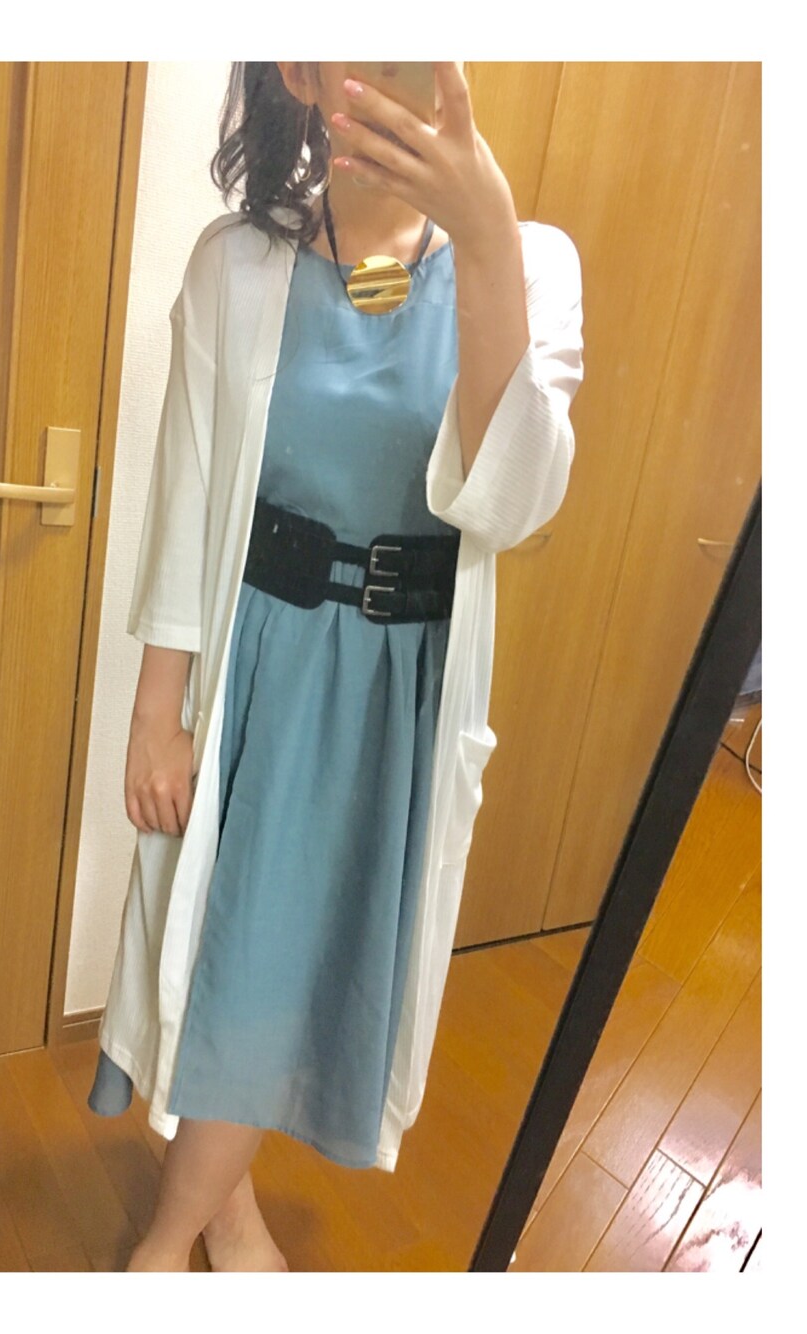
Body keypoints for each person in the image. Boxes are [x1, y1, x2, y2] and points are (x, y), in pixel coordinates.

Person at [87, 61, 584, 1272]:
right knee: (242, 962)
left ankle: (218, 1212)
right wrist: (156, 712)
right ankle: (169, 1243)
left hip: (396, 700)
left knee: (306, 966)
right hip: (261, 667)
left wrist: (484, 241)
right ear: (302, 70)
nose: (395, 69)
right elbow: (187, 494)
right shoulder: (236, 264)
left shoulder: (530, 263)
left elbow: (512, 504)